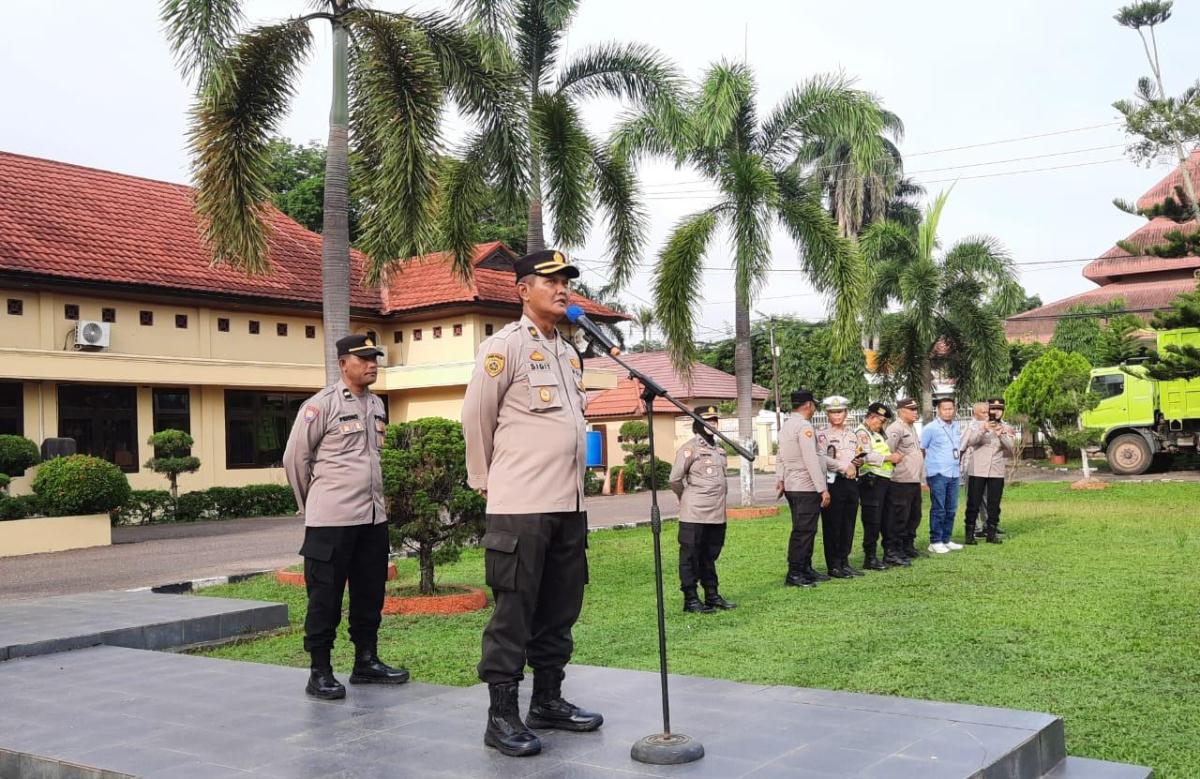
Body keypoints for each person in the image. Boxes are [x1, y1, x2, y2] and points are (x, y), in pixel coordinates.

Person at [461, 249, 603, 758]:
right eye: (551, 281)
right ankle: (501, 716)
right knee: (513, 611)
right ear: (523, 290)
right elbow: (477, 417)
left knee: (560, 607)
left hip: (568, 504)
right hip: (520, 503)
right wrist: (485, 481)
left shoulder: (568, 352)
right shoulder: (505, 348)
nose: (563, 288)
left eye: (567, 281)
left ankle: (548, 699)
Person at [283, 333, 410, 701]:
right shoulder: (320, 406)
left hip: (372, 519)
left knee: (370, 594)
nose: (372, 364)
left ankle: (366, 662)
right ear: (343, 364)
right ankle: (319, 671)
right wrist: (315, 506)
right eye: (364, 358)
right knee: (325, 597)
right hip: (330, 523)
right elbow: (295, 460)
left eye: (375, 358)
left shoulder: (377, 406)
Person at [669, 405, 735, 613]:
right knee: (690, 556)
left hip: (716, 513)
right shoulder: (690, 449)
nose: (712, 424)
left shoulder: (719, 449)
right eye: (707, 420)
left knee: (709, 555)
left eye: (715, 420)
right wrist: (684, 497)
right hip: (694, 513)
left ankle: (712, 595)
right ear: (697, 423)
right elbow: (675, 479)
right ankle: (691, 599)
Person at [777, 389, 831, 588]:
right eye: (814, 404)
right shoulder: (804, 426)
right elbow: (811, 458)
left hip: (793, 484)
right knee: (803, 531)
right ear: (808, 405)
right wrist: (822, 488)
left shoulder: (786, 426)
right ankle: (795, 572)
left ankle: (805, 568)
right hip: (806, 486)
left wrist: (780, 478)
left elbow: (780, 455)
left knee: (805, 529)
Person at [818, 395, 864, 578]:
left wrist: (857, 462)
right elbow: (821, 457)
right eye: (833, 412)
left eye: (840, 412)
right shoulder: (823, 435)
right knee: (833, 524)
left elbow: (859, 454)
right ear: (827, 414)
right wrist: (843, 466)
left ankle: (844, 561)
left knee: (848, 523)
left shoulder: (853, 434)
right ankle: (834, 564)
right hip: (833, 482)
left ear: (846, 413)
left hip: (851, 482)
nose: (837, 416)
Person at [855, 403, 904, 570]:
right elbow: (864, 455)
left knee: (888, 518)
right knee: (872, 520)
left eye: (883, 421)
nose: (882, 424)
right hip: (871, 481)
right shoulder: (862, 433)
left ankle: (889, 554)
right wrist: (889, 458)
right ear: (871, 417)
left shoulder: (877, 433)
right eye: (880, 420)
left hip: (884, 479)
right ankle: (870, 557)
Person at [961, 398, 1014, 544]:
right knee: (973, 502)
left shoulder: (1004, 426)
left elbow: (1010, 447)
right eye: (989, 410)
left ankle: (991, 533)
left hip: (996, 470)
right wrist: (983, 429)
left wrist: (1001, 433)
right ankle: (970, 534)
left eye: (998, 409)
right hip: (977, 469)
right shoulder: (975, 426)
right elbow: (970, 442)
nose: (992, 412)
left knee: (994, 503)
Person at [920, 397, 963, 554]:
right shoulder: (930, 428)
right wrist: (923, 473)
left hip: (953, 472)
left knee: (951, 508)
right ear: (938, 410)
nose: (948, 411)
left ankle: (946, 539)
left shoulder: (956, 427)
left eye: (951, 408)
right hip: (938, 472)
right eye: (945, 409)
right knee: (939, 508)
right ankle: (935, 541)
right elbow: (922, 449)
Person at [885, 398, 926, 562]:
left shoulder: (911, 428)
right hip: (900, 480)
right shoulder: (895, 428)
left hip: (913, 479)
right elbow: (889, 451)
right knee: (899, 517)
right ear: (901, 411)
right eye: (912, 409)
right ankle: (894, 550)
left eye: (916, 409)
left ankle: (908, 546)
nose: (916, 412)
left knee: (914, 515)